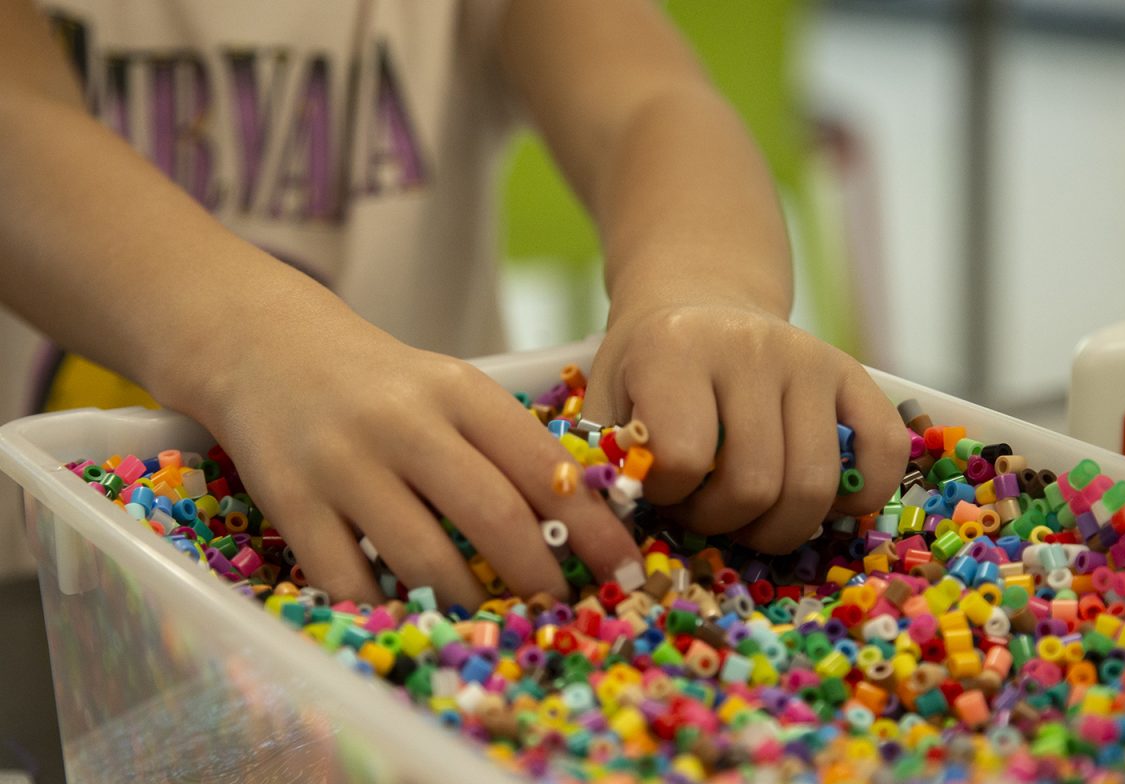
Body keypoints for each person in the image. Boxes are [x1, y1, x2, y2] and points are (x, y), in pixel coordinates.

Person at [0, 0, 909, 607]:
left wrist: (706, 288)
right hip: (44, 586)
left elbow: (646, 99)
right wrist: (256, 343)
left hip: (467, 566)